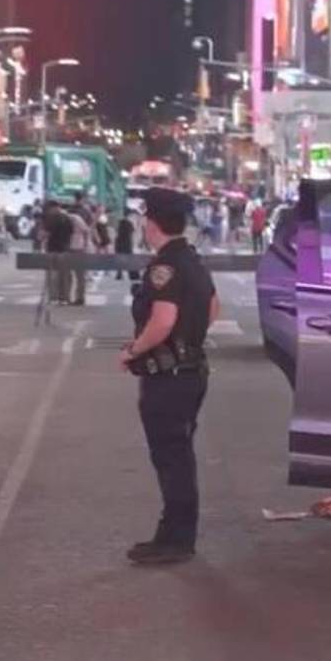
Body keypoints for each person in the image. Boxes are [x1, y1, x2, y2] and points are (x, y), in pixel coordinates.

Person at [121, 187, 219, 565]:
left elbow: (162, 321)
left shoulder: (165, 267)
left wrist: (134, 350)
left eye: (145, 218)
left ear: (153, 223)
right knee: (179, 454)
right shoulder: (192, 260)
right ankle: (175, 533)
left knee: (171, 458)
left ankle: (176, 539)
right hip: (191, 369)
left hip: (169, 377)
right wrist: (189, 340)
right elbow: (213, 306)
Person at [67, 199, 93, 306]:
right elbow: (87, 230)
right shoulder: (73, 218)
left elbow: (86, 231)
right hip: (74, 248)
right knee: (77, 275)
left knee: (78, 275)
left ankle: (79, 298)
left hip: (77, 248)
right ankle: (76, 297)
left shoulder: (75, 218)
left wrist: (85, 244)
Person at [114, 211, 139, 281]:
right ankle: (133, 275)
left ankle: (119, 273)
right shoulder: (129, 223)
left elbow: (117, 231)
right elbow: (134, 231)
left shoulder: (119, 222)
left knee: (119, 258)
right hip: (127, 243)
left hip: (119, 242)